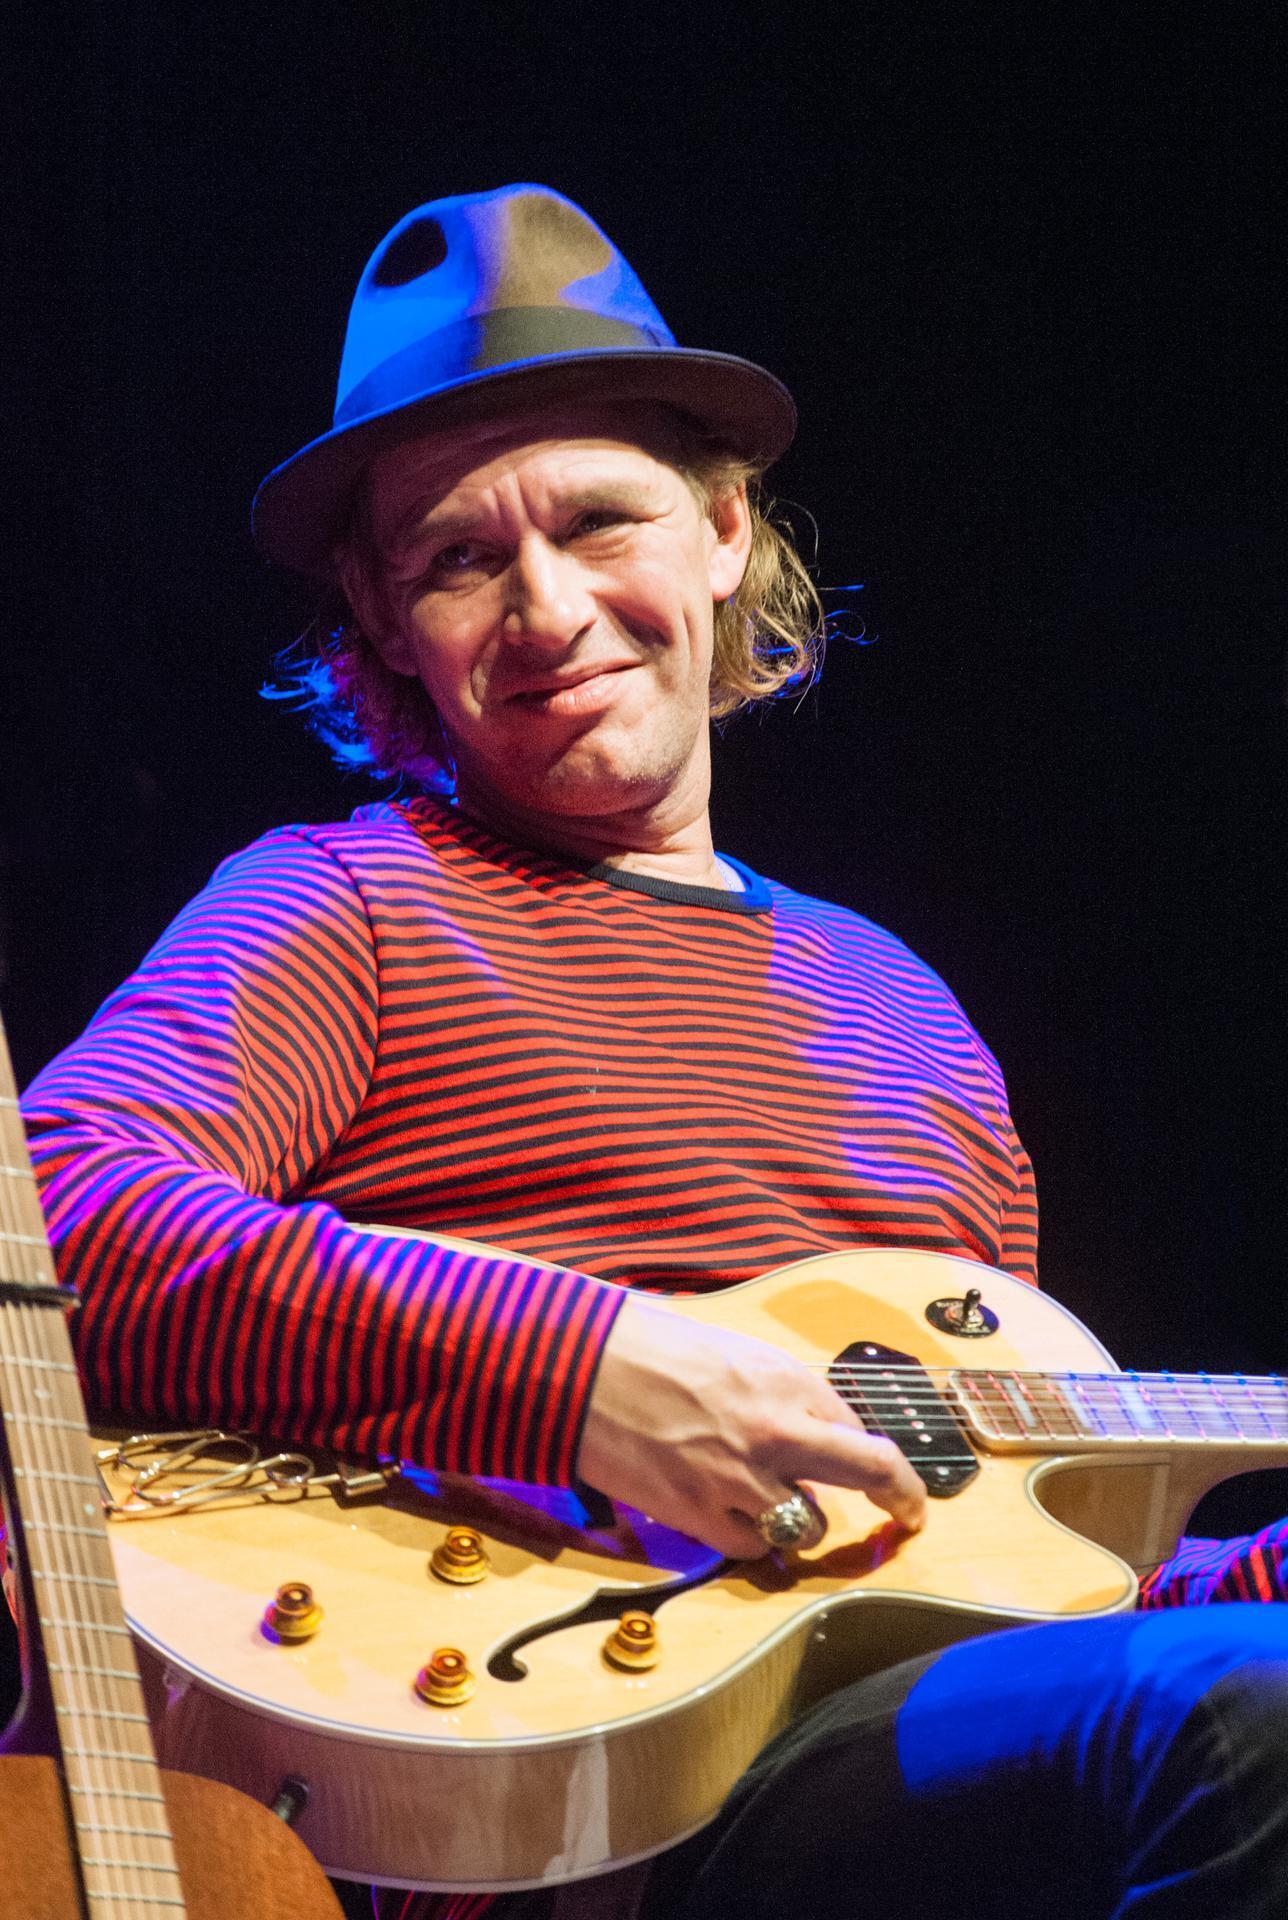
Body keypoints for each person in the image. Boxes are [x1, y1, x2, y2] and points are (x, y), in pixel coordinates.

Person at [19, 184, 1288, 1919]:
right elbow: (54, 1216)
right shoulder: (351, 898)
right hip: (552, 1784)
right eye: (460, 559)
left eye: (598, 521)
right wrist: (588, 1373)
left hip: (891, 1752)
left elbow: (1016, 1587)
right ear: (386, 626)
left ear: (720, 528)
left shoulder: (906, 1011)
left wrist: (1252, 1578)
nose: (546, 609)